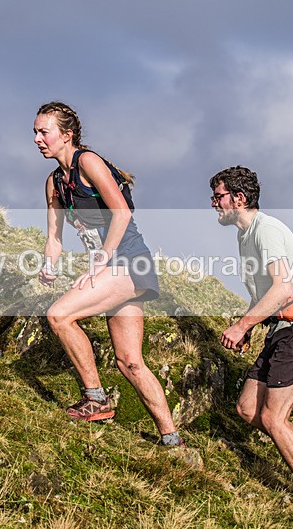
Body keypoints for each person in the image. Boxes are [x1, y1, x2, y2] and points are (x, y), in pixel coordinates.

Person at [34, 101, 183, 447]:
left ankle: (96, 398)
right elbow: (54, 236)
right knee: (130, 362)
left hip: (130, 263)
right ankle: (172, 440)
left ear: (67, 135)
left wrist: (101, 261)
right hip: (115, 269)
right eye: (35, 133)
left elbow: (122, 212)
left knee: (59, 315)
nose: (38, 139)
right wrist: (49, 265)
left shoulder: (88, 162)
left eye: (44, 132)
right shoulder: (54, 182)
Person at [210, 165, 293, 507]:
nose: (213, 203)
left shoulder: (265, 230)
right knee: (246, 409)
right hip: (280, 330)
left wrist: (241, 326)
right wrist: (249, 326)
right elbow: (265, 294)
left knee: (273, 417)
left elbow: (282, 288)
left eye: (218, 196)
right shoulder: (245, 236)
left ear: (239, 198)